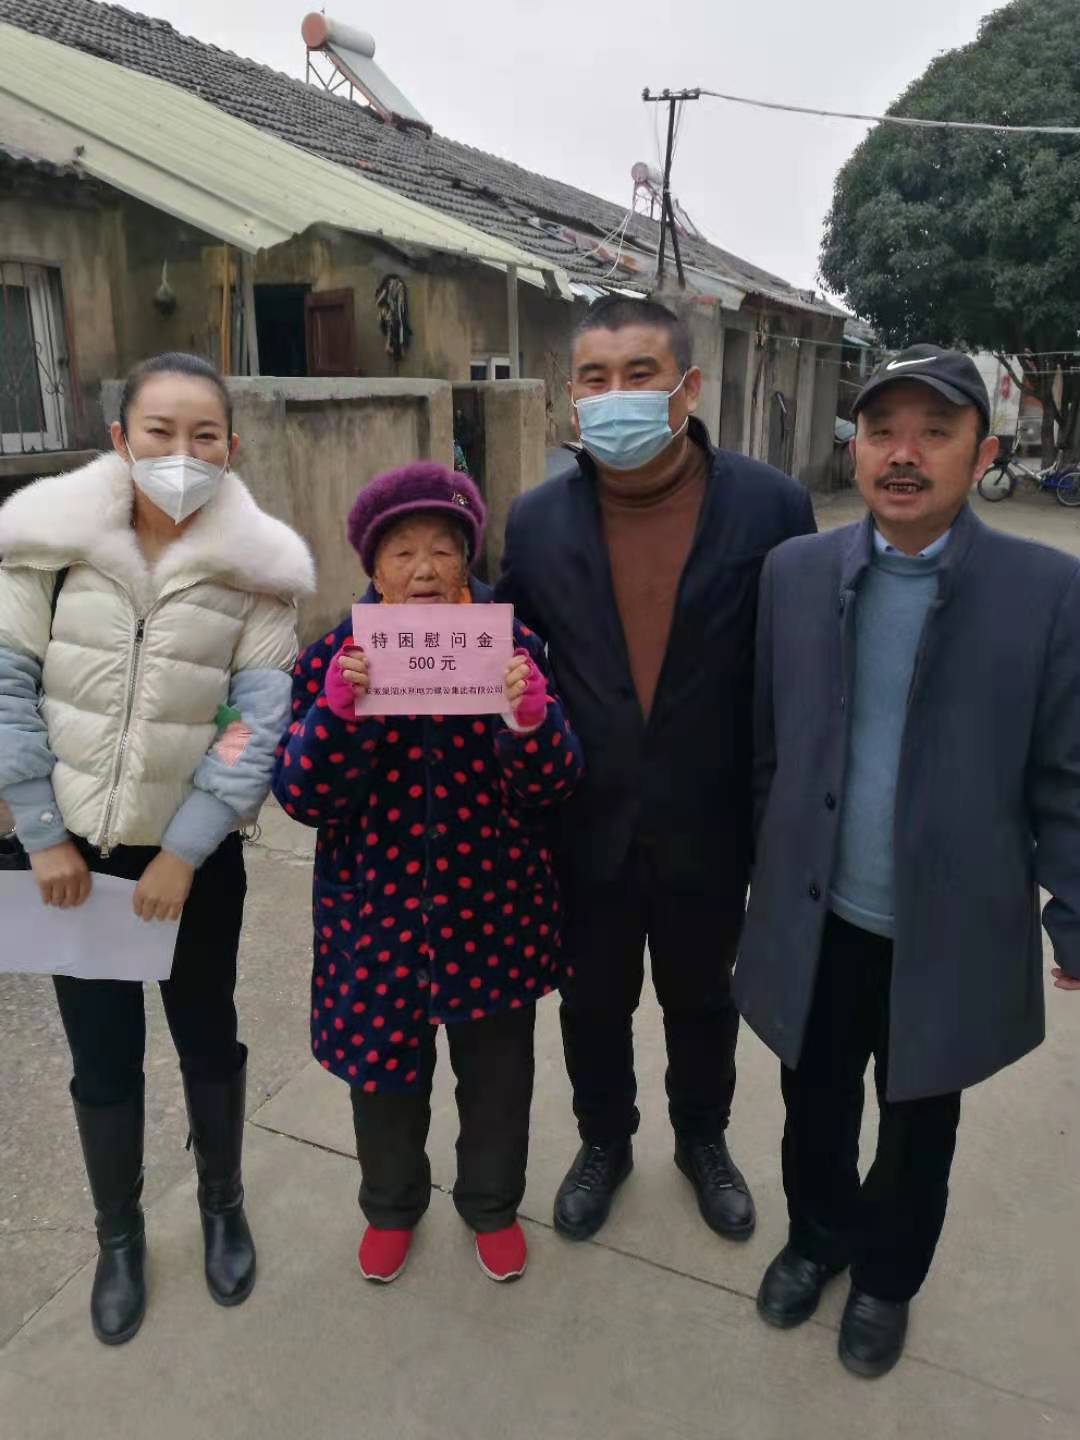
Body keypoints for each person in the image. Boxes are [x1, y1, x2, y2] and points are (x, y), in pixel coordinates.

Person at [736, 345, 1080, 1378]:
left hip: (950, 926)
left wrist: (1073, 912)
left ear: (985, 452)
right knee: (813, 1103)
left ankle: (887, 1279)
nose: (903, 454)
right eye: (882, 430)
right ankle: (817, 1239)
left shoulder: (1047, 592)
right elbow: (767, 747)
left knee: (920, 1120)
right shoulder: (795, 575)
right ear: (857, 446)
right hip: (821, 913)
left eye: (935, 433)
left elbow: (1067, 771)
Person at [0, 353, 314, 1345]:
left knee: (207, 1035)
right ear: (119, 439)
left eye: (204, 435)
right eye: (160, 432)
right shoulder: (45, 548)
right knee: (102, 1054)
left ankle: (222, 1205)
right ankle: (120, 1236)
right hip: (70, 862)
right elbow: (7, 691)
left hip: (196, 862)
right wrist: (43, 834)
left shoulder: (260, 574)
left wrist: (184, 851)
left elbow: (254, 724)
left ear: (232, 447)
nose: (183, 453)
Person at [496, 296, 816, 1243]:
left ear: (688, 387)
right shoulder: (536, 521)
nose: (615, 395)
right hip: (583, 821)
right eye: (595, 379)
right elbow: (506, 657)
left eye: (640, 374)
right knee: (593, 1002)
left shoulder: (771, 507)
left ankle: (702, 1139)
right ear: (571, 395)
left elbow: (794, 671)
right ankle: (604, 1141)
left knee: (701, 999)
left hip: (709, 821)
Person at [273, 462, 583, 1284]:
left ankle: (491, 1205)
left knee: (498, 1080)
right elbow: (300, 797)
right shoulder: (334, 659)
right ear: (373, 569)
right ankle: (391, 1205)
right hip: (375, 920)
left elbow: (555, 784)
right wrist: (338, 716)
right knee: (383, 1082)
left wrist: (530, 721)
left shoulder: (512, 648)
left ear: (468, 561)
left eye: (443, 549)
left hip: (494, 911)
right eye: (402, 551)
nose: (423, 569)